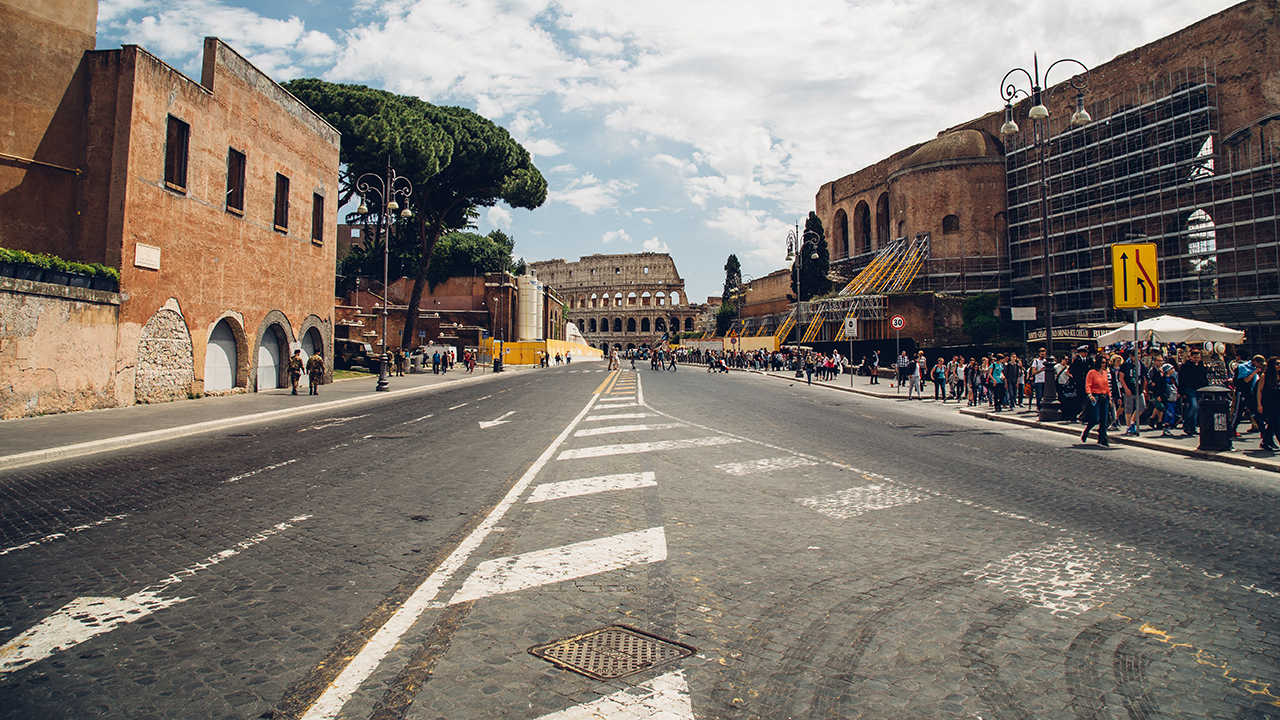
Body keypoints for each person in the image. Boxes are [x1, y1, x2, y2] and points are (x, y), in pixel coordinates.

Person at [1082, 355, 1111, 446]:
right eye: (1102, 362)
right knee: (1095, 418)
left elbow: (1107, 386)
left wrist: (1109, 397)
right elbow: (1088, 384)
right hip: (1095, 396)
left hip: (1104, 396)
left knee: (1104, 419)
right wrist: (1090, 395)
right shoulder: (1092, 372)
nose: (1104, 364)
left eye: (1105, 363)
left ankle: (1103, 438)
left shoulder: (1105, 372)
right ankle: (1087, 430)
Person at [1179, 346, 1208, 436]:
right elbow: (1182, 379)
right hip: (1189, 389)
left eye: (1198, 357)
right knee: (1194, 406)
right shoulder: (1185, 366)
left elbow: (1204, 378)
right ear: (1190, 357)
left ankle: (1192, 427)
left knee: (1195, 408)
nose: (1196, 359)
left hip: (1199, 389)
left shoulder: (1201, 365)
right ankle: (1187, 424)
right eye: (1195, 357)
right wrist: (1181, 392)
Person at [1257, 356, 1280, 451]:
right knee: (1276, 423)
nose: (1279, 366)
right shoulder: (1265, 376)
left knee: (1272, 424)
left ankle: (1266, 442)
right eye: (1277, 364)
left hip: (1278, 402)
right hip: (1269, 403)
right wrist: (1259, 405)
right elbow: (1259, 391)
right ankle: (1269, 441)